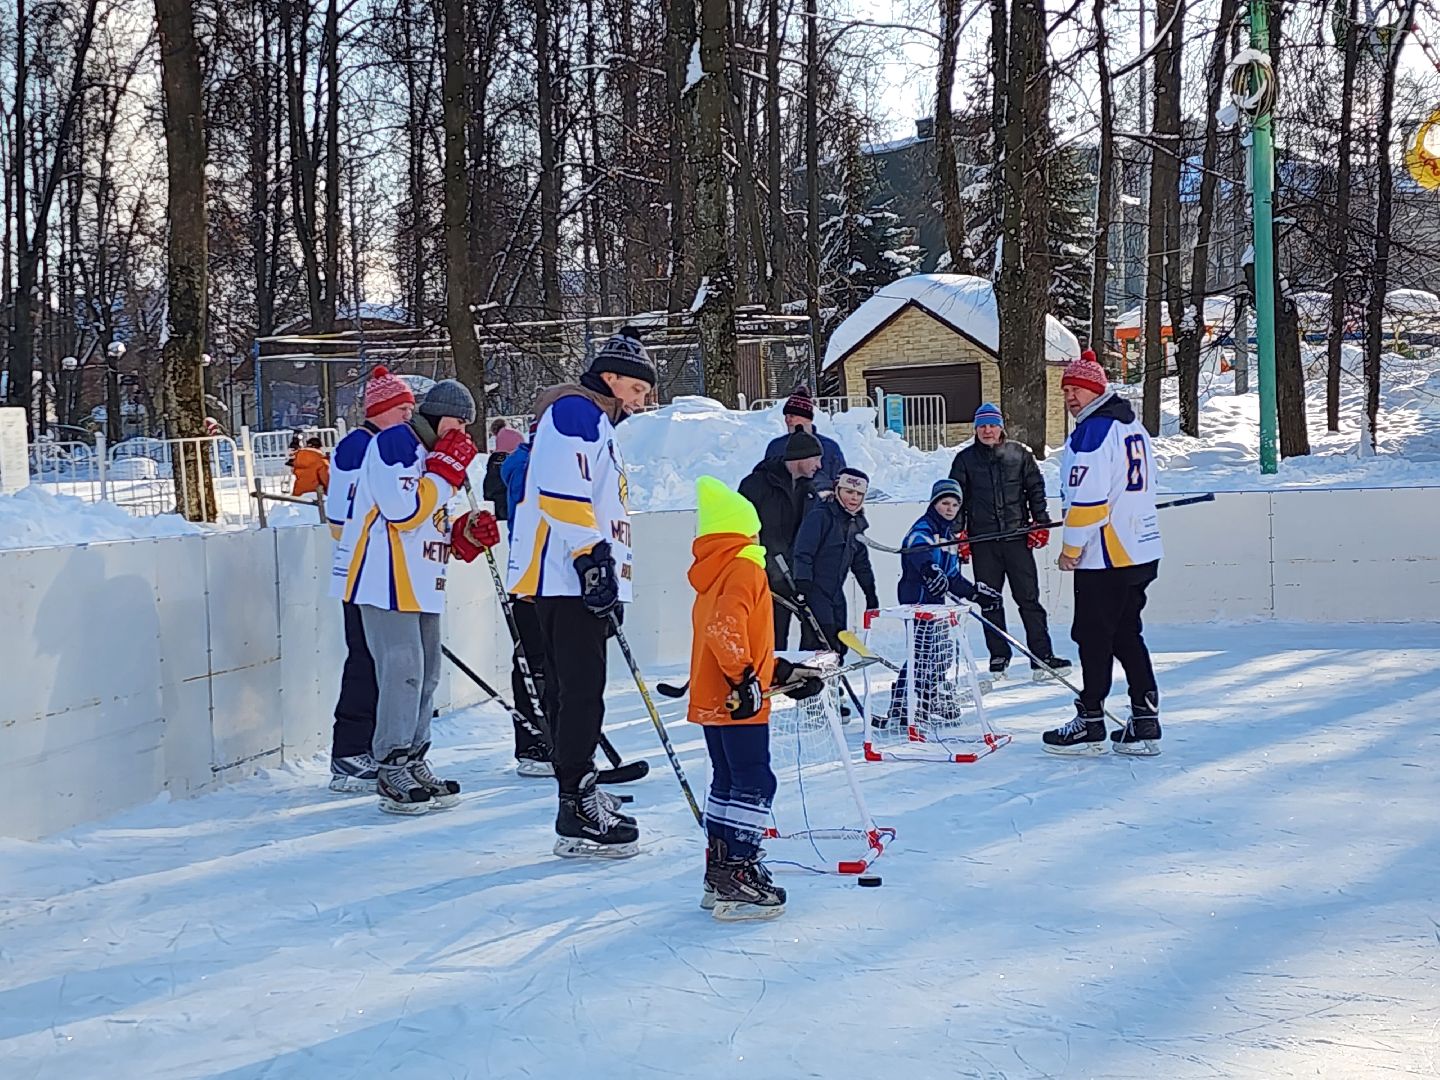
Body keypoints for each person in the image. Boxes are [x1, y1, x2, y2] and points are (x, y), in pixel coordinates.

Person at [507, 327, 655, 858]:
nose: (641, 402)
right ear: (611, 379)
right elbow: (562, 491)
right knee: (579, 689)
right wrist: (591, 560)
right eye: (637, 390)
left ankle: (581, 789)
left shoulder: (595, 420)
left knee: (581, 688)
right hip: (565, 578)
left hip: (575, 575)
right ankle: (576, 804)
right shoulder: (576, 412)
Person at [339, 378, 491, 812]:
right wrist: (444, 472)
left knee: (427, 675)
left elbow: (433, 520)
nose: (461, 432)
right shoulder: (395, 445)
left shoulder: (432, 454)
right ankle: (390, 762)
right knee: (401, 672)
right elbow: (404, 511)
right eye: (458, 422)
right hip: (384, 578)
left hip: (422, 579)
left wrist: (465, 533)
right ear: (438, 414)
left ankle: (415, 754)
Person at [687, 476, 825, 921]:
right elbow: (725, 629)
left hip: (715, 695)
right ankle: (739, 872)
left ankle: (720, 869)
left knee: (727, 779)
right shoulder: (745, 566)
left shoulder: (715, 570)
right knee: (754, 781)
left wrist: (778, 671)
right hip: (736, 697)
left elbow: (736, 634)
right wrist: (747, 680)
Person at [1041, 350, 1164, 757]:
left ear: (1095, 390)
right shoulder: (1132, 426)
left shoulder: (1093, 432)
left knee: (1093, 638)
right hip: (1140, 551)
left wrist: (1071, 548)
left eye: (1076, 389)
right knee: (1127, 633)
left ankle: (1090, 719)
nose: (1070, 397)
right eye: (1067, 391)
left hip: (1106, 556)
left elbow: (1090, 501)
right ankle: (1145, 718)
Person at [323, 366, 415, 792]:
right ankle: (348, 751)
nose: (408, 416)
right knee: (365, 658)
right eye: (402, 409)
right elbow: (342, 518)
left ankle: (374, 744)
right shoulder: (358, 448)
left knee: (384, 661)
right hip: (363, 573)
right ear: (380, 410)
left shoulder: (381, 445)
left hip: (383, 571)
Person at [949, 402, 1070, 681]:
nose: (987, 430)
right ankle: (998, 656)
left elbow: (1035, 489)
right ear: (976, 430)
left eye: (992, 425)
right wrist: (959, 532)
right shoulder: (965, 460)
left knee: (1029, 599)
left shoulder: (1020, 454)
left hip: (1016, 538)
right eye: (982, 426)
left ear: (1001, 427)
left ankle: (1042, 657)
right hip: (984, 541)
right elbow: (957, 498)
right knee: (990, 601)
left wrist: (1040, 521)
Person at [887, 479, 1003, 724]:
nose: (949, 508)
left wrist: (974, 593)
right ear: (934, 503)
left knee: (942, 652)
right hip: (917, 600)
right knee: (921, 652)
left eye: (954, 504)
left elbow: (951, 577)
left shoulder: (950, 536)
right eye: (944, 503)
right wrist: (929, 569)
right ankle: (902, 703)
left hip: (937, 604)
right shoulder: (926, 527)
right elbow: (916, 547)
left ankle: (930, 697)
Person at [497, 419, 555, 776]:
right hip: (532, 582)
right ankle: (533, 744)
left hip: (551, 581)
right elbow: (526, 521)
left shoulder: (543, 460)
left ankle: (554, 736)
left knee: (553, 663)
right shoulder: (527, 465)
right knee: (533, 662)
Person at [789, 467, 880, 678]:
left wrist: (870, 593)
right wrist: (802, 583)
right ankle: (813, 695)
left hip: (835, 593)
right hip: (815, 591)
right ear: (837, 490)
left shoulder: (855, 523)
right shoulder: (820, 516)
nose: (853, 498)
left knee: (840, 641)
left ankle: (832, 689)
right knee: (820, 641)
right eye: (849, 492)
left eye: (859, 494)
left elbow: (861, 562)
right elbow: (803, 552)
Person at [737, 429, 822, 648]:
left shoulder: (810, 490)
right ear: (800, 457)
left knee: (816, 626)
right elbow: (740, 530)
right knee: (772, 638)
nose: (819, 465)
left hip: (795, 576)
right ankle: (770, 679)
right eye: (816, 458)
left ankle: (807, 677)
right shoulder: (756, 485)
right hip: (764, 579)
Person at [763, 385, 846, 494]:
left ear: (807, 417)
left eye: (792, 416)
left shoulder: (830, 447)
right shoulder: (776, 446)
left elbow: (841, 483)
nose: (787, 420)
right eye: (786, 416)